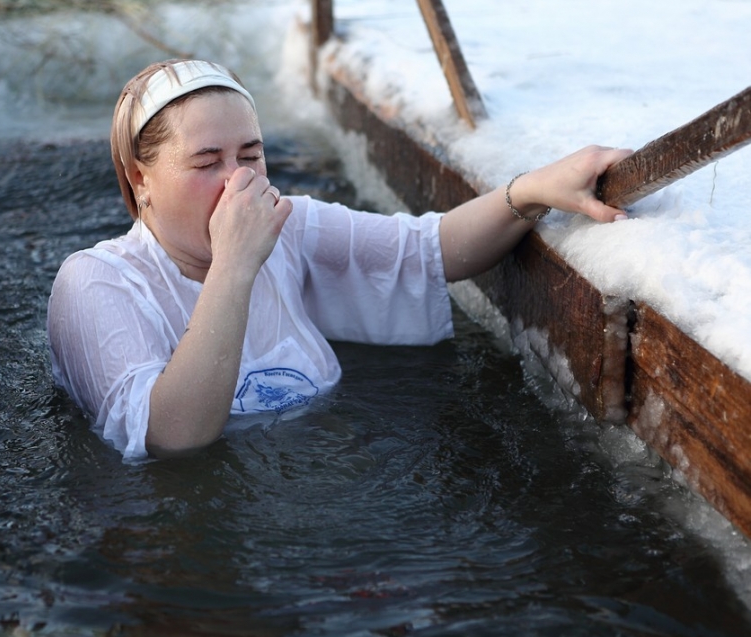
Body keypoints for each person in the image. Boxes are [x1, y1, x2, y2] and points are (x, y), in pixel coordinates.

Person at [46, 58, 632, 461]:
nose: (238, 182)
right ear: (140, 179)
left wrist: (530, 190)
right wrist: (235, 264)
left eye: (250, 154)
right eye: (207, 163)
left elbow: (430, 250)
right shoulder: (94, 282)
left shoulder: (287, 225)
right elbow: (173, 438)